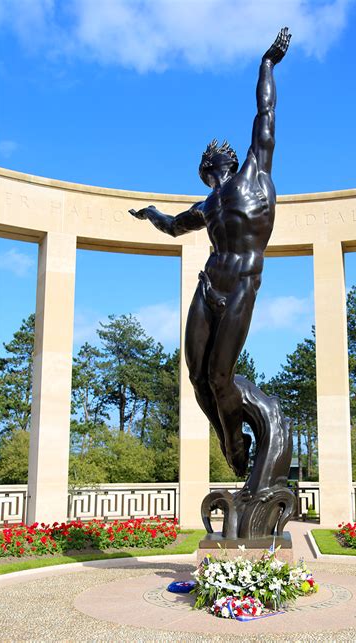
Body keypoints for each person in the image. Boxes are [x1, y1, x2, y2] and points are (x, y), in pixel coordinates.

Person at [129, 28, 291, 477]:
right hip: (209, 284)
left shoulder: (255, 173)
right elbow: (172, 227)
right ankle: (227, 437)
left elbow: (266, 112)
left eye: (203, 165)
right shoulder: (206, 206)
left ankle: (238, 442)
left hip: (242, 283)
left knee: (221, 377)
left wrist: (267, 64)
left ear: (212, 166)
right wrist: (151, 213)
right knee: (196, 376)